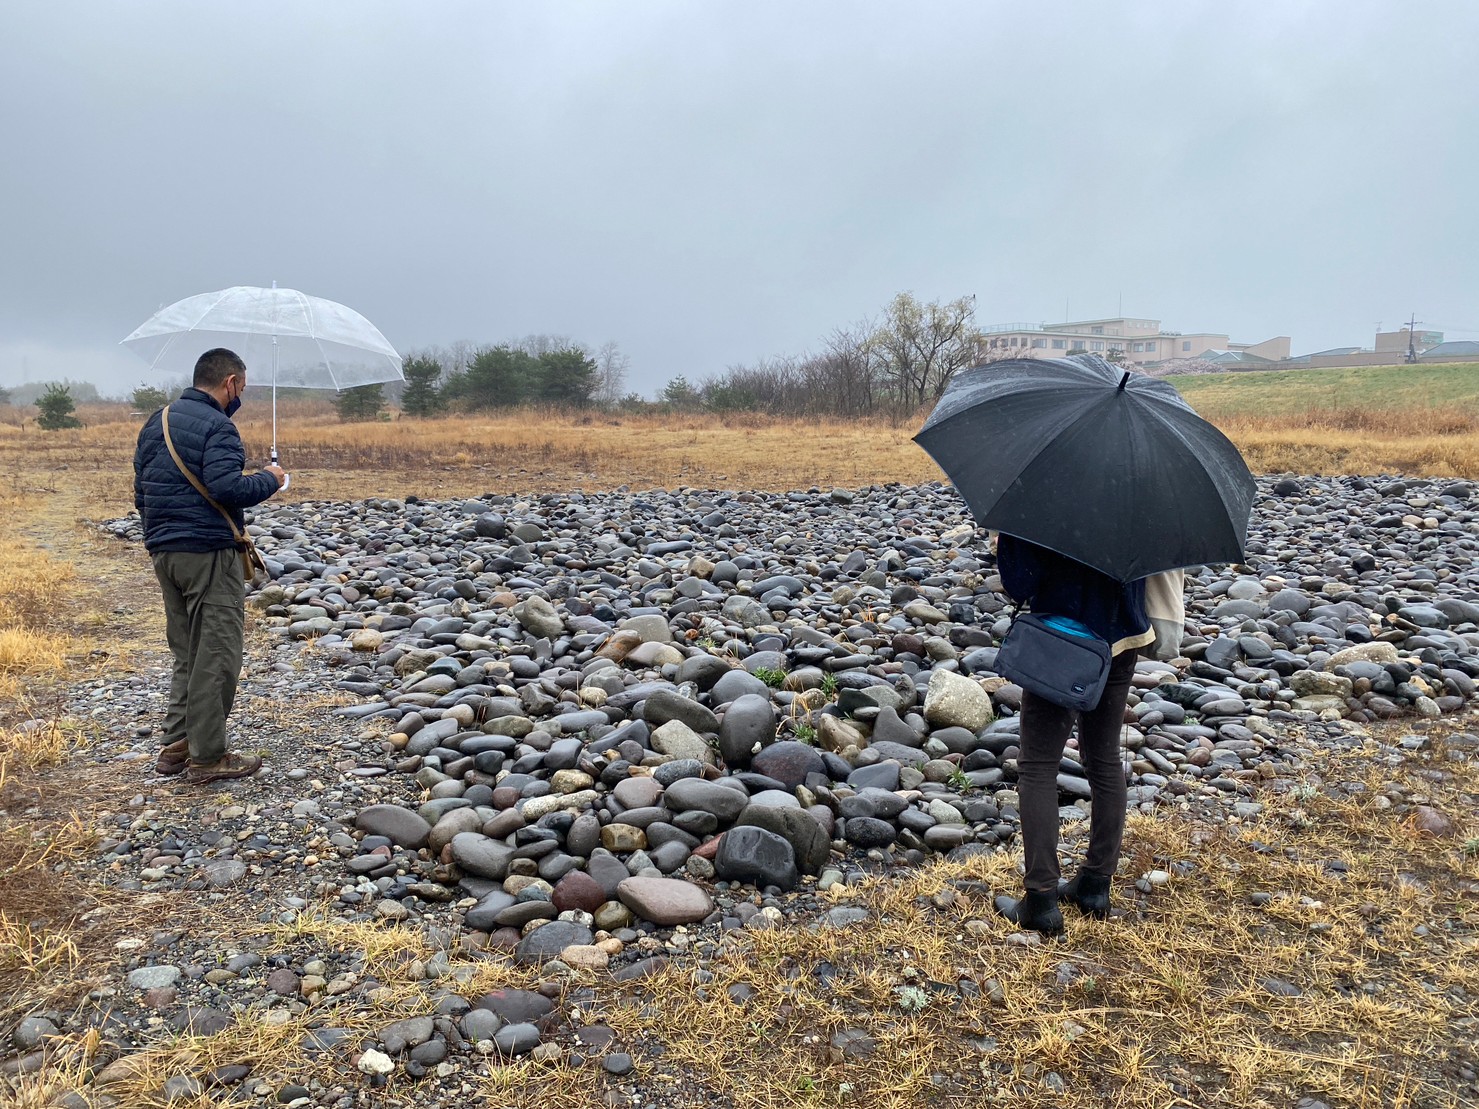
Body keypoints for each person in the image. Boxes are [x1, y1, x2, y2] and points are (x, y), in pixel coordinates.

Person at [133, 348, 287, 783]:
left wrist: (158, 540)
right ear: (231, 383)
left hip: (165, 552)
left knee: (187, 652)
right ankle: (207, 756)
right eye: (243, 386)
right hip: (207, 553)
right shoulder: (218, 425)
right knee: (217, 652)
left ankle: (175, 746)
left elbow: (141, 492)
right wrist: (271, 480)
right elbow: (226, 488)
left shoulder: (155, 421)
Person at [991, 533, 1155, 934]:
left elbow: (1021, 583)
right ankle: (1095, 886)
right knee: (1103, 758)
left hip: (1064, 639)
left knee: (1037, 767)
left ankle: (1042, 900)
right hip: (1124, 634)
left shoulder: (1047, 494)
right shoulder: (1139, 490)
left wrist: (1007, 541)